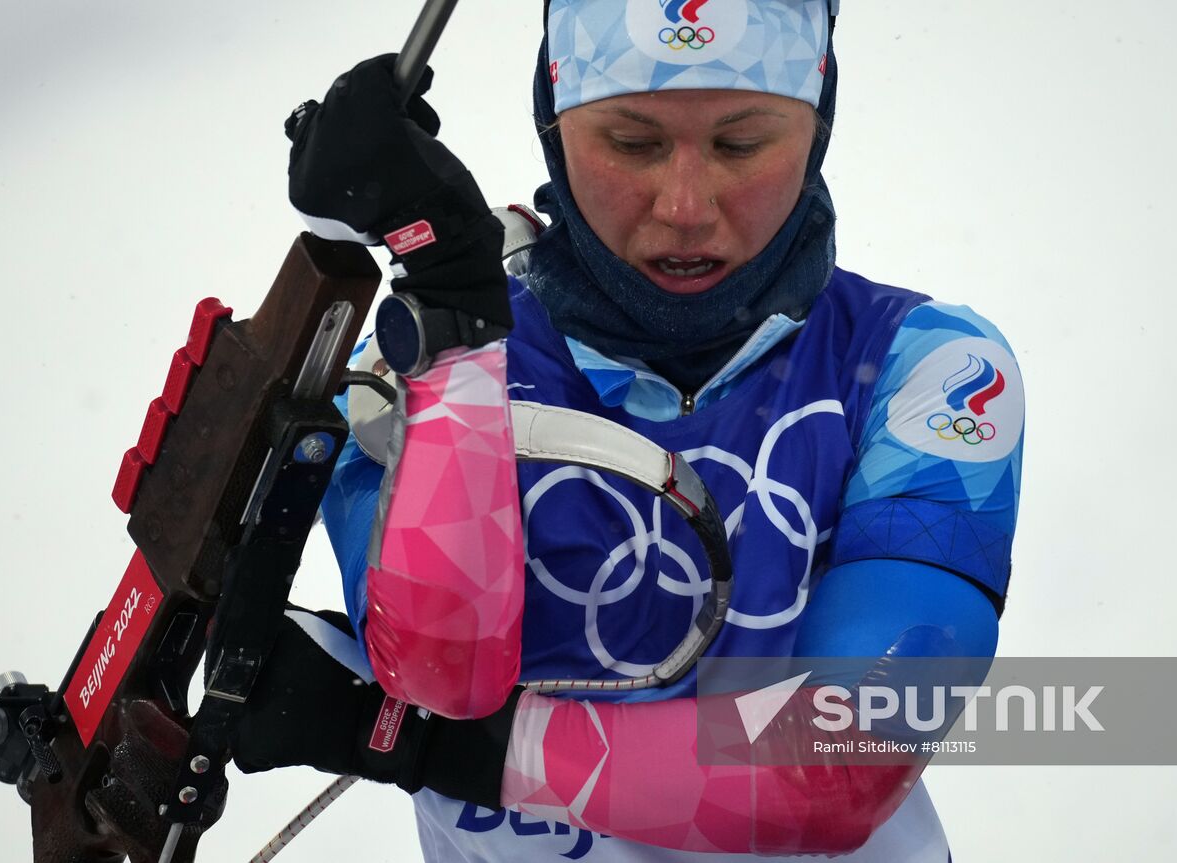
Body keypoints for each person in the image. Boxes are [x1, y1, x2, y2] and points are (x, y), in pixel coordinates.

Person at [224, 1, 1026, 861]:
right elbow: (441, 671)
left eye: (742, 144)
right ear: (554, 122)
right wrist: (452, 326)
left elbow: (841, 762)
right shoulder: (414, 358)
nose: (684, 206)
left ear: (818, 121)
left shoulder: (933, 368)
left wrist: (430, 749)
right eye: (632, 144)